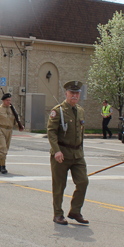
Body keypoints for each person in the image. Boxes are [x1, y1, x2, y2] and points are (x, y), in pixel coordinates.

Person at [47, 81, 89, 225]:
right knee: (59, 185)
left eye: (77, 93)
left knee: (83, 181)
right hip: (61, 154)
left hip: (77, 154)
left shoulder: (80, 111)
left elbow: (80, 133)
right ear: (66, 94)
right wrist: (57, 151)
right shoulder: (58, 111)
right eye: (72, 93)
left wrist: (81, 151)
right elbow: (51, 132)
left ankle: (75, 211)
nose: (75, 96)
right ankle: (58, 214)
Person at [0, 93, 23, 175]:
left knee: (5, 148)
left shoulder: (12, 109)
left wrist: (19, 126)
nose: (9, 102)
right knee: (2, 148)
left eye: (10, 100)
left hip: (9, 130)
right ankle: (3, 166)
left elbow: (16, 120)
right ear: (3, 100)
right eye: (7, 100)